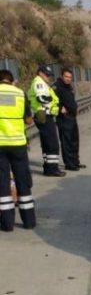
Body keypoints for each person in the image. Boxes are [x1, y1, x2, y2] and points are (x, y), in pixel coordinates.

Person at [0, 69, 36, 231]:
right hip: (18, 145)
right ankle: (29, 221)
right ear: (11, 80)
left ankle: (7, 224)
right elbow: (29, 120)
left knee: (3, 184)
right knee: (22, 182)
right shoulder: (20, 94)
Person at [28, 65, 66, 177]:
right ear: (40, 73)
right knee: (52, 143)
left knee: (47, 143)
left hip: (43, 114)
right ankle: (52, 169)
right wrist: (50, 100)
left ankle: (48, 168)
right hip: (43, 114)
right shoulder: (39, 83)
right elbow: (41, 98)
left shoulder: (41, 82)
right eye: (46, 74)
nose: (48, 76)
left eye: (49, 75)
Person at [53, 67, 86, 171]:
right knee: (66, 142)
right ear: (62, 76)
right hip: (63, 118)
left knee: (74, 140)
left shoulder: (68, 87)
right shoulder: (57, 87)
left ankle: (75, 162)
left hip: (72, 117)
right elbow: (50, 100)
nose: (68, 79)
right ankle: (69, 164)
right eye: (66, 76)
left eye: (70, 77)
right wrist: (59, 109)